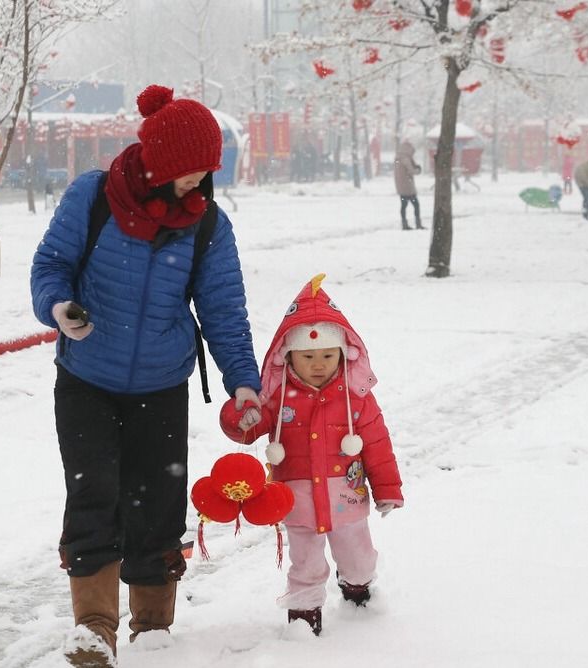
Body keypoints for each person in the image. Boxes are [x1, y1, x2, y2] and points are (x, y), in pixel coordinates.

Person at [30, 84, 263, 666]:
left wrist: (243, 381)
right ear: (160, 165)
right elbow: (51, 265)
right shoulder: (93, 197)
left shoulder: (208, 225)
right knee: (94, 494)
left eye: (207, 172)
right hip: (86, 378)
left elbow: (224, 310)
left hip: (161, 384)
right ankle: (94, 628)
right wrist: (59, 309)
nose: (200, 184)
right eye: (191, 172)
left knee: (157, 503)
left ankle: (153, 627)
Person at [219, 273, 404, 637]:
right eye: (307, 356)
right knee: (304, 562)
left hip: (346, 497)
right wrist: (241, 416)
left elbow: (378, 445)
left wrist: (387, 489)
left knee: (358, 556)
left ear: (343, 353)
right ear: (289, 356)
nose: (318, 364)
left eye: (327, 355)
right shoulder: (277, 397)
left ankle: (357, 585)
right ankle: (304, 612)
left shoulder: (357, 398)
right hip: (296, 498)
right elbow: (249, 429)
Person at [394, 140, 424, 230]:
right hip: (408, 187)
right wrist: (418, 171)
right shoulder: (406, 159)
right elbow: (411, 171)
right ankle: (418, 224)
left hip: (400, 186)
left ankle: (404, 224)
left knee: (403, 205)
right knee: (416, 205)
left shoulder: (397, 158)